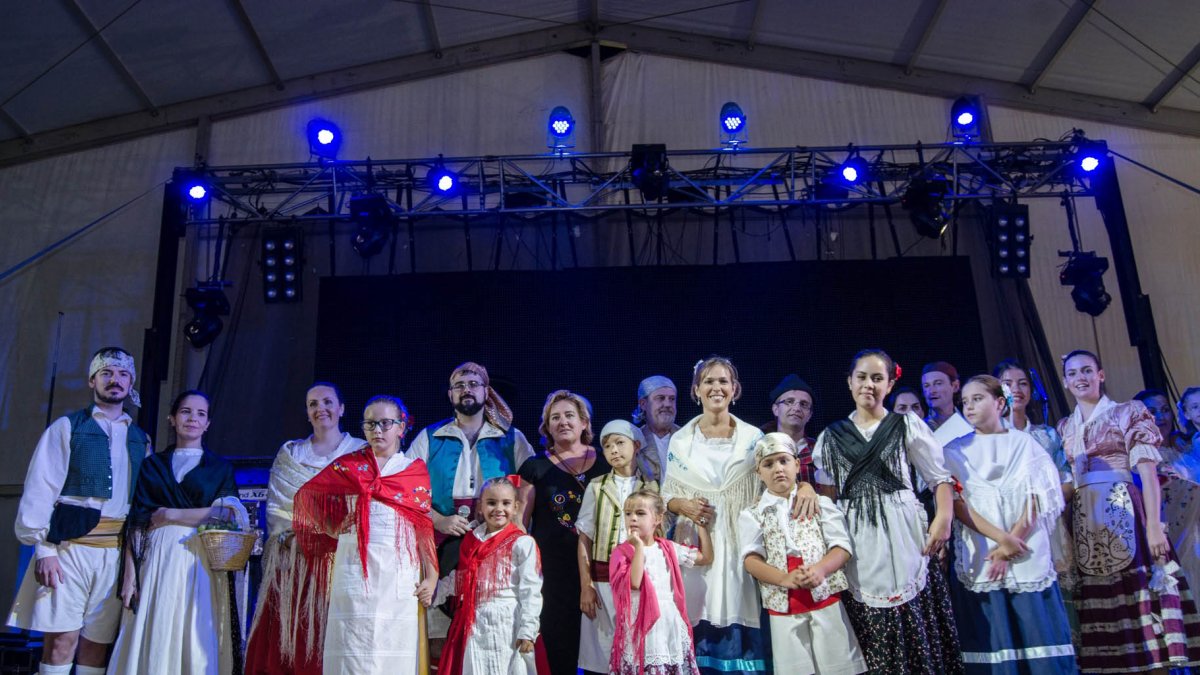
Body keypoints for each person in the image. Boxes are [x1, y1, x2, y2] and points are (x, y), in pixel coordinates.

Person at [661, 356, 817, 675]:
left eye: (723, 381)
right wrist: (682, 505)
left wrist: (805, 488)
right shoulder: (680, 441)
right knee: (695, 616)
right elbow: (666, 495)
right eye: (709, 381)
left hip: (740, 547)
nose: (716, 387)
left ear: (735, 389)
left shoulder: (752, 440)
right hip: (697, 546)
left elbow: (774, 482)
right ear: (696, 390)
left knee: (742, 619)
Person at [813, 349, 962, 674]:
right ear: (850, 382)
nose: (869, 384)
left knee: (918, 628)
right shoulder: (831, 437)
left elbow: (939, 479)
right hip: (859, 538)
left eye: (877, 378)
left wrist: (944, 518)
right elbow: (827, 499)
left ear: (890, 384)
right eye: (862, 377)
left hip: (905, 536)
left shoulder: (907, 425)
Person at [8, 347, 152, 675]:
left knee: (97, 646)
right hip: (69, 550)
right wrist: (44, 549)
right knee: (61, 641)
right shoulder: (67, 427)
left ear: (131, 384)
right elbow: (41, 488)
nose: (115, 380)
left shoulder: (140, 439)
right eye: (107, 374)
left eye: (122, 375)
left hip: (114, 554)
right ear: (92, 381)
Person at [1058, 350, 1200, 672]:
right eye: (1073, 373)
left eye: (1086, 371)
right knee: (1104, 615)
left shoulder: (1127, 412)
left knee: (1140, 605)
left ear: (1101, 375)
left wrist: (1153, 526)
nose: (1080, 378)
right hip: (1086, 522)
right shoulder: (1066, 426)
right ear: (1066, 382)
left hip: (1124, 510)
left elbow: (1148, 474)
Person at [293, 395, 438, 675]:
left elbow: (423, 526)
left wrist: (431, 576)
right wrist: (333, 526)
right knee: (351, 646)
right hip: (354, 569)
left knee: (392, 649)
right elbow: (307, 496)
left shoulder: (413, 471)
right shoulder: (350, 466)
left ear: (401, 427)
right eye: (371, 424)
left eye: (386, 423)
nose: (378, 431)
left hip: (398, 573)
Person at [943, 376, 1077, 674]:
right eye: (964, 401)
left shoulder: (1024, 444)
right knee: (994, 638)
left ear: (999, 402)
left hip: (1024, 550)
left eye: (977, 398)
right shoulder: (955, 451)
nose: (969, 406)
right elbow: (958, 505)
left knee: (1036, 633)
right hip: (982, 552)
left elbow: (1037, 498)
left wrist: (1011, 543)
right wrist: (1000, 540)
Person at [105, 390, 242, 675]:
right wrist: (130, 575)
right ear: (172, 418)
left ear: (208, 424)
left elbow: (228, 511)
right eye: (186, 412)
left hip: (198, 560)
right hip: (156, 559)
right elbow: (137, 521)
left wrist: (171, 514)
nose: (193, 418)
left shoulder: (219, 468)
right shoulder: (152, 465)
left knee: (192, 627)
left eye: (200, 414)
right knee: (155, 622)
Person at [408, 362, 534, 643]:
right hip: (440, 541)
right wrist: (439, 520)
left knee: (487, 624)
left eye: (474, 384)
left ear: (486, 392)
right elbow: (406, 490)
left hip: (494, 543)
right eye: (459, 385)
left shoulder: (510, 437)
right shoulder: (430, 437)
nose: (467, 390)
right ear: (450, 394)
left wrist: (514, 526)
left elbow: (529, 486)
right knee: (441, 627)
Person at [245, 382, 364, 675]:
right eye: (313, 404)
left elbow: (362, 508)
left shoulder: (360, 452)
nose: (320, 409)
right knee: (291, 636)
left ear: (341, 408)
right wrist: (305, 532)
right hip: (294, 559)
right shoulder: (292, 453)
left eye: (327, 402)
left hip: (340, 561)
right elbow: (277, 508)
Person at [739, 433, 867, 675]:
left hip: (823, 595)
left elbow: (842, 546)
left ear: (797, 464)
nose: (778, 469)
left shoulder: (821, 503)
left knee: (838, 665)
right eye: (768, 464)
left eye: (784, 461)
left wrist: (821, 569)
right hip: (783, 602)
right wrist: (784, 579)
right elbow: (751, 559)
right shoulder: (753, 514)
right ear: (758, 473)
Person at [517, 390, 611, 675]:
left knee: (605, 646)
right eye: (554, 418)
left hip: (602, 570)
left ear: (584, 422)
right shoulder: (535, 467)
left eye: (570, 415)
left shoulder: (609, 461)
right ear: (547, 427)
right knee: (560, 649)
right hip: (553, 574)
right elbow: (519, 524)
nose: (562, 422)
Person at [437, 476, 543, 675]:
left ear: (516, 506)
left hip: (507, 623)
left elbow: (531, 590)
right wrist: (434, 594)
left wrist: (528, 630)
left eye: (506, 503)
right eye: (491, 503)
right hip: (474, 623)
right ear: (480, 506)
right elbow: (460, 578)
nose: (498, 509)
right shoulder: (471, 540)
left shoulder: (522, 543)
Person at [577, 420, 659, 673]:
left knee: (637, 648)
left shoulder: (652, 486)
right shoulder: (597, 486)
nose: (613, 450)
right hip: (603, 579)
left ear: (636, 445)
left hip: (640, 578)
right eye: (607, 446)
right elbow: (584, 538)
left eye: (619, 443)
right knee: (602, 650)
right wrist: (586, 585)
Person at [610, 490, 711, 675]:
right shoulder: (621, 552)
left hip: (668, 624)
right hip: (640, 627)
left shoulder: (667, 548)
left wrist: (701, 523)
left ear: (657, 518)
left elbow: (705, 557)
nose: (632, 518)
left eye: (640, 513)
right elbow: (634, 582)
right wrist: (639, 547)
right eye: (628, 513)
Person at [763, 375, 818, 484]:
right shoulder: (760, 448)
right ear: (776, 409)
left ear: (810, 415)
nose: (797, 408)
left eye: (803, 404)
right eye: (789, 401)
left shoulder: (820, 451)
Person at [1134, 388, 1194, 480]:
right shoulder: (1141, 458)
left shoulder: (1185, 444)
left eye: (1165, 410)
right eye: (1152, 412)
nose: (1161, 417)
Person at [633, 376, 680, 483]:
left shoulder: (689, 437)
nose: (667, 404)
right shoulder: (634, 442)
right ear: (643, 404)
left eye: (672, 399)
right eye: (660, 398)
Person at [922, 361, 973, 446]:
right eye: (926, 386)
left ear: (955, 386)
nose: (931, 391)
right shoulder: (920, 428)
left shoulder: (970, 421)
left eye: (938, 383)